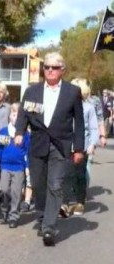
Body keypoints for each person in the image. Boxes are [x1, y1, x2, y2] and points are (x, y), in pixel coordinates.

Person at [14, 52, 85, 246]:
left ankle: (49, 227)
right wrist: (19, 132)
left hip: (61, 146)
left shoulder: (72, 91)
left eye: (54, 67)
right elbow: (23, 114)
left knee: (55, 184)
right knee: (38, 184)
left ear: (62, 70)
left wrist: (79, 149)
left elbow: (79, 122)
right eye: (47, 67)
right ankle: (43, 213)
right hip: (37, 144)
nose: (50, 70)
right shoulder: (32, 91)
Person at [61, 78, 99, 217]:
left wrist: (92, 144)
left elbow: (94, 128)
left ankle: (79, 202)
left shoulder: (88, 108)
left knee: (79, 176)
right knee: (65, 175)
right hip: (66, 146)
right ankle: (64, 204)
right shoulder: (64, 106)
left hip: (82, 147)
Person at [0, 103, 30, 228]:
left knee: (16, 192)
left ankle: (13, 215)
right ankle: (5, 209)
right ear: (10, 116)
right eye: (14, 115)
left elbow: (27, 151)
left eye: (18, 116)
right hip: (5, 166)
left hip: (19, 167)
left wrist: (27, 167)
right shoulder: (4, 131)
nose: (15, 118)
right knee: (4, 189)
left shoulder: (25, 134)